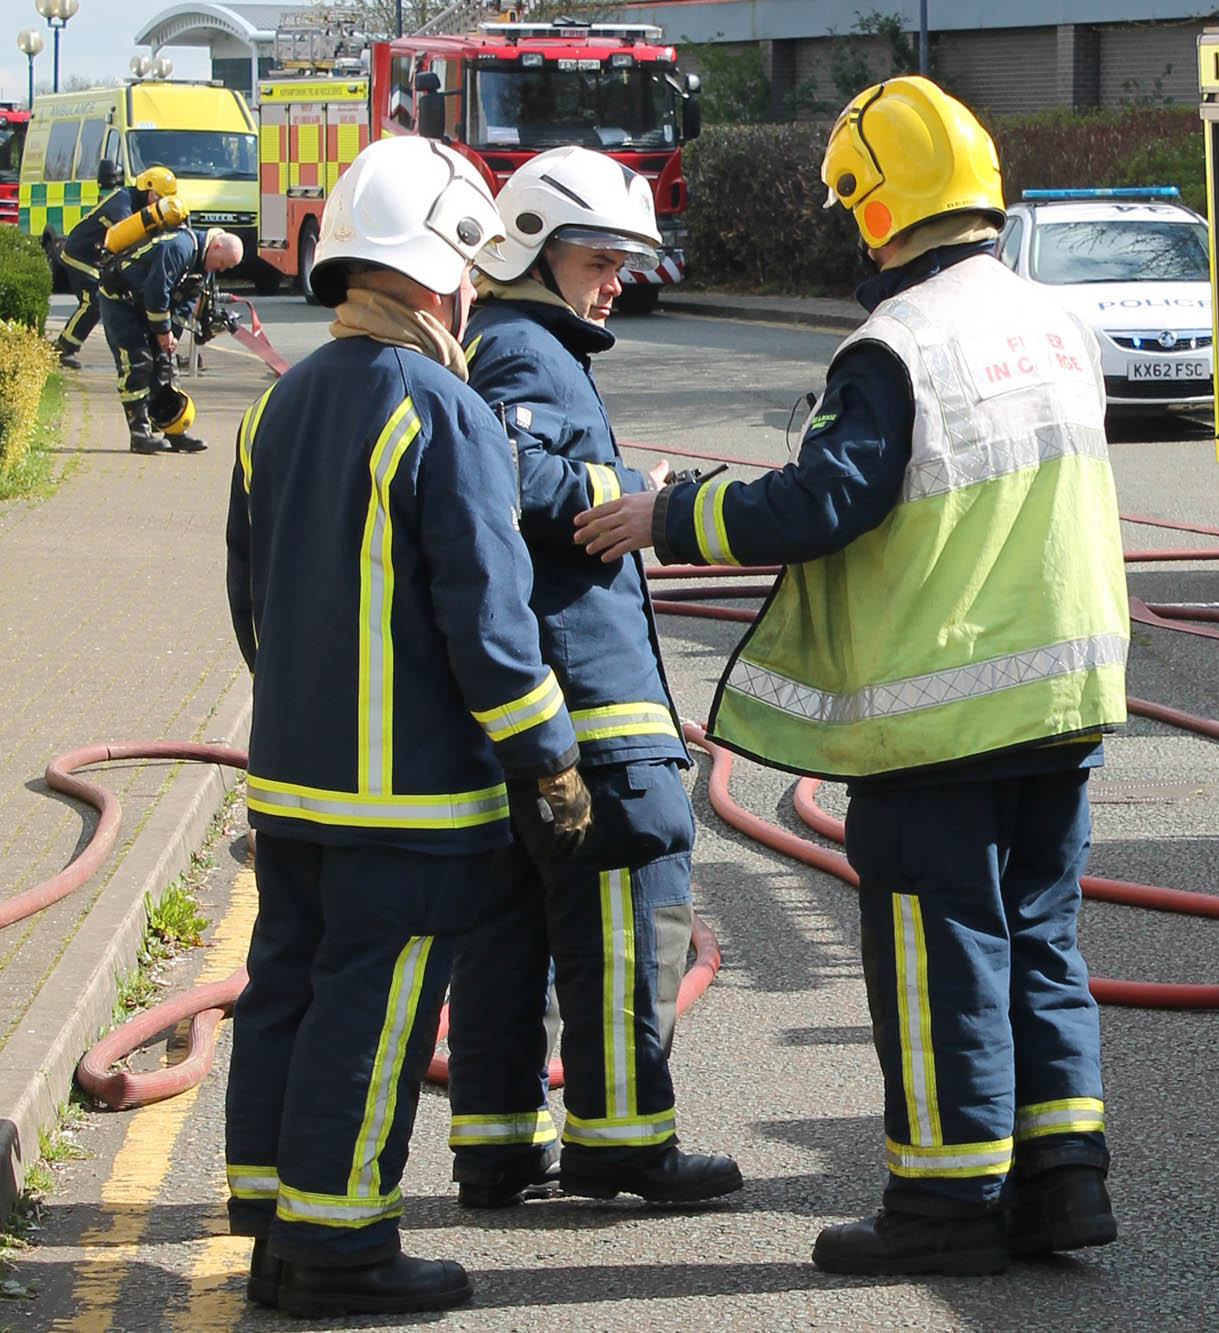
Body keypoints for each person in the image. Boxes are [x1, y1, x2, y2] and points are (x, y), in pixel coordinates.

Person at [574, 75, 1131, 1275]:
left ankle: (942, 1207)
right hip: (1063, 700)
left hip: (942, 714)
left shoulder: (899, 344)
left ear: (876, 208)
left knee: (942, 956)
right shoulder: (1054, 323)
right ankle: (1060, 1180)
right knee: (1037, 936)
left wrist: (670, 515)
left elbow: (823, 500)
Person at [222, 135, 593, 1316]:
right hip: (412, 799)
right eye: (469, 268)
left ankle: (274, 1224)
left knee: (285, 990)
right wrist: (548, 762)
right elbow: (489, 618)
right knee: (374, 1010)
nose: (473, 290)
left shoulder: (273, 408)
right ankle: (339, 1250)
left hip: (292, 784)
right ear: (441, 270)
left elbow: (250, 601)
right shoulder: (442, 408)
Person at [444, 145, 741, 1210]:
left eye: (623, 263)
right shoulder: (525, 348)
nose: (616, 282)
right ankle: (622, 1145)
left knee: (509, 927)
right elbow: (508, 471)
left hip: (530, 709)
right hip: (590, 710)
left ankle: (497, 1146)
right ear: (531, 249)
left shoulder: (510, 341)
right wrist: (625, 486)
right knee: (629, 899)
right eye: (598, 261)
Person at [98, 223, 241, 453]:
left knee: (165, 365)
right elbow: (157, 291)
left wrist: (171, 338)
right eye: (223, 263)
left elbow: (186, 302)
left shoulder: (203, 263)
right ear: (216, 246)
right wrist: (163, 332)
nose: (221, 269)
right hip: (121, 303)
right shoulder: (179, 247)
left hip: (146, 306)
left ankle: (174, 430)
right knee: (138, 363)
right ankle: (139, 435)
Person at [50, 163, 173, 369]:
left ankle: (155, 351)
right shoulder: (123, 200)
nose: (159, 204)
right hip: (82, 253)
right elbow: (125, 232)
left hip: (99, 258)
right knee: (94, 299)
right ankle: (62, 349)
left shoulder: (144, 206)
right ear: (148, 189)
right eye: (158, 197)